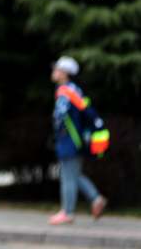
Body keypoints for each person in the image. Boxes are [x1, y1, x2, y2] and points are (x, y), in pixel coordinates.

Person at [49, 55, 107, 225]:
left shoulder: (65, 92)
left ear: (64, 73)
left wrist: (57, 134)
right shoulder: (75, 90)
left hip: (69, 141)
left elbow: (60, 116)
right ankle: (96, 199)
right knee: (74, 174)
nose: (54, 71)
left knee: (67, 176)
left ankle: (68, 212)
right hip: (78, 140)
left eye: (57, 69)